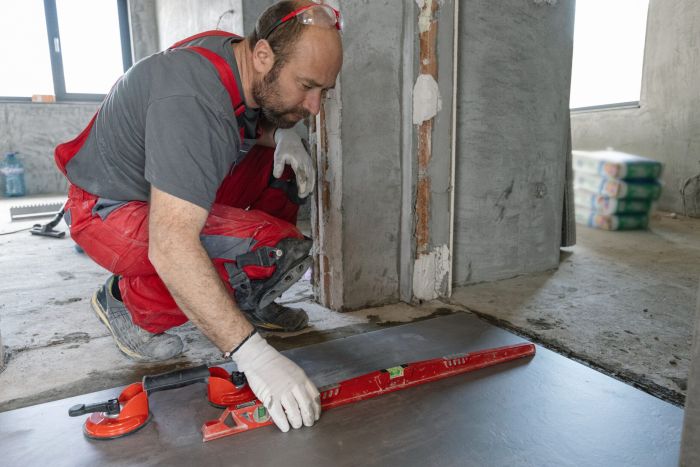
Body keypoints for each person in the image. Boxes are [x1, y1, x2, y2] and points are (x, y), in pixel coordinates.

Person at [53, 0, 343, 433]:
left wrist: (287, 132)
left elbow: (250, 121)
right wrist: (254, 356)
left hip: (155, 184)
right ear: (262, 55)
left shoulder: (235, 58)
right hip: (107, 210)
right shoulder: (193, 99)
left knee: (282, 175)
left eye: (324, 91)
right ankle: (128, 305)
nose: (315, 106)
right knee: (265, 249)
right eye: (306, 86)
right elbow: (172, 246)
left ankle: (246, 300)